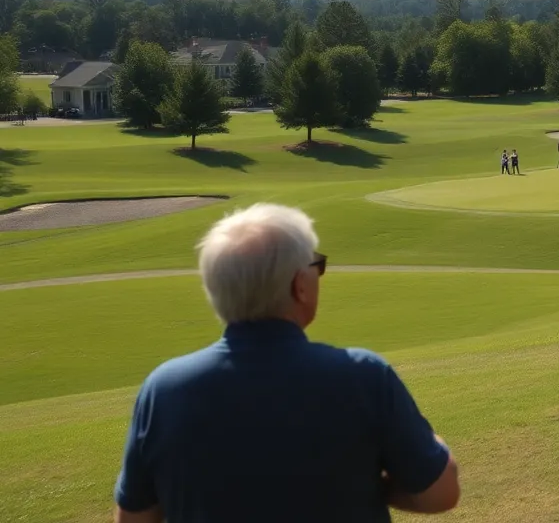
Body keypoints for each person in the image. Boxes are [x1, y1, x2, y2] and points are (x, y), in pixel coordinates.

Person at [112, 203, 460, 523]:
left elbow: (134, 518)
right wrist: (369, 482)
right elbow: (441, 492)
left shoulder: (163, 391)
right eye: (316, 265)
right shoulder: (363, 377)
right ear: (300, 286)